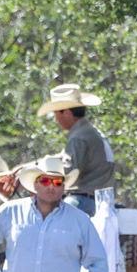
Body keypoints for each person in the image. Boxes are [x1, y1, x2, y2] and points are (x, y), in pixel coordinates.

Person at [37, 84, 114, 215]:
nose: (56, 119)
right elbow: (64, 157)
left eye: (56, 114)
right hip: (102, 201)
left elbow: (69, 171)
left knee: (52, 217)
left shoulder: (78, 138)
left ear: (66, 113)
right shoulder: (90, 132)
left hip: (84, 201)